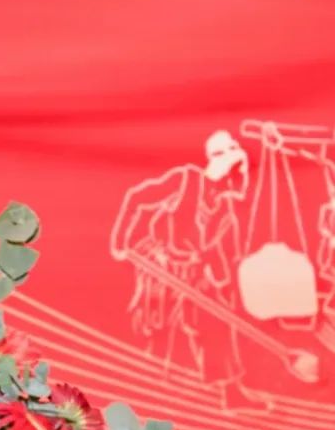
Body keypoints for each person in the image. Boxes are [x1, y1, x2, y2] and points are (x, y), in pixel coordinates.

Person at [110, 130, 266, 412]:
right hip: (162, 266)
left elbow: (217, 251)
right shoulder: (186, 180)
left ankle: (230, 391)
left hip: (195, 271)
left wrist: (221, 286)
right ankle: (148, 391)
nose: (238, 182)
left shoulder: (225, 206)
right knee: (156, 332)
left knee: (215, 320)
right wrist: (122, 242)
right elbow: (137, 198)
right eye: (234, 171)